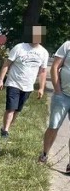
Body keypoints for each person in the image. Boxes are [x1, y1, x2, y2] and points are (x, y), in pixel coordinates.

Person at [0, 29, 49, 138]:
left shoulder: (44, 53)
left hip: (28, 86)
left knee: (17, 110)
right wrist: (1, 79)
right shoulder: (19, 47)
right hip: (14, 82)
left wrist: (41, 88)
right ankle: (5, 131)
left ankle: (5, 128)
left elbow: (43, 71)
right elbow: (7, 63)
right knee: (11, 107)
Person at [38, 40, 70, 169]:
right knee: (53, 126)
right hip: (62, 94)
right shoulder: (67, 45)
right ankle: (44, 154)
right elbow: (55, 66)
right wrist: (57, 89)